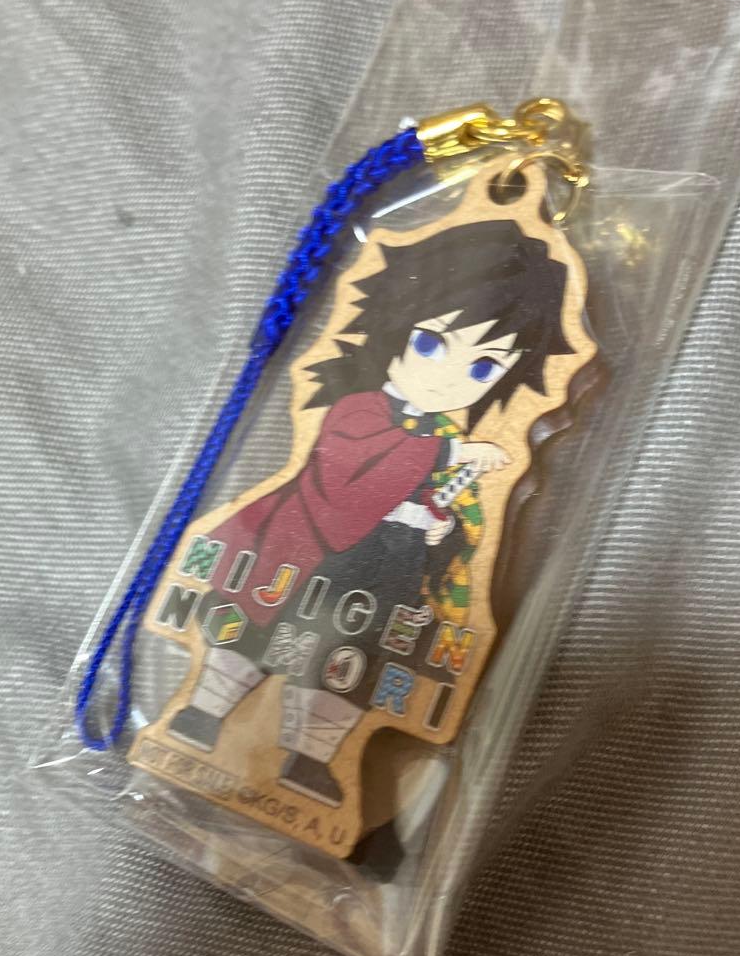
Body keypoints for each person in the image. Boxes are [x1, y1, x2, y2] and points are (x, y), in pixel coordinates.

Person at [166, 220, 571, 806]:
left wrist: (439, 525)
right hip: (309, 548)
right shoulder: (358, 409)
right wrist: (453, 453)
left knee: (353, 660)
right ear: (394, 328)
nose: (447, 377)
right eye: (431, 344)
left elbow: (435, 501)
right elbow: (347, 480)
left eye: (482, 368)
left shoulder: (439, 432)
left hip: (389, 565)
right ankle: (203, 714)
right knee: (255, 631)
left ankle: (312, 759)